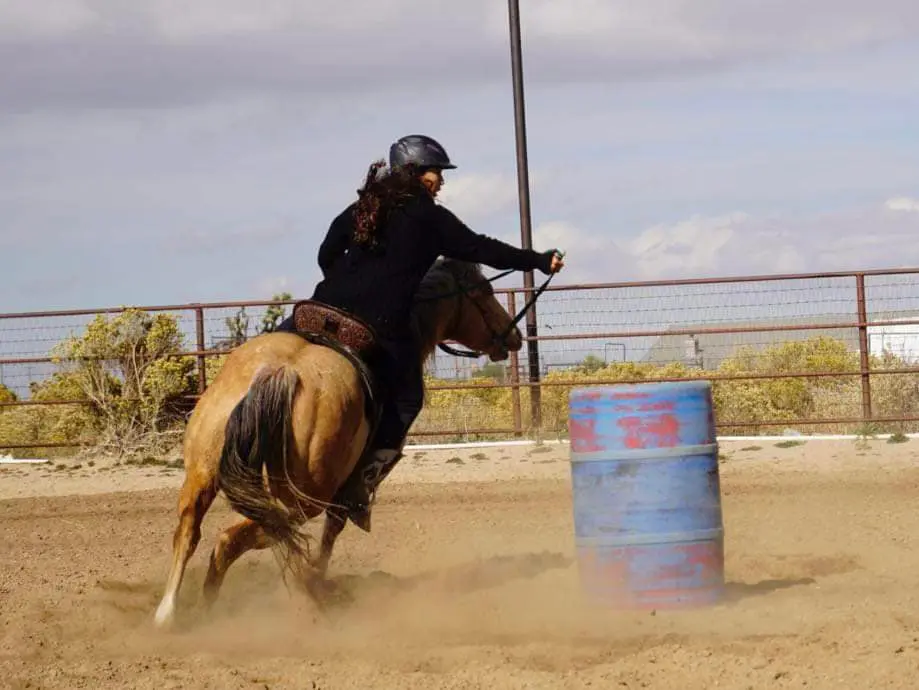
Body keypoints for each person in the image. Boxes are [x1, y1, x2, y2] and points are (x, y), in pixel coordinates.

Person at [287, 134, 565, 531]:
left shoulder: (363, 206)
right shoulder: (430, 218)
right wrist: (538, 260)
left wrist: (347, 284)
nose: (441, 181)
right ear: (415, 172)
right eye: (436, 172)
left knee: (273, 348)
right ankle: (358, 487)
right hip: (378, 324)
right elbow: (482, 249)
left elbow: (326, 253)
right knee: (407, 399)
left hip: (318, 309)